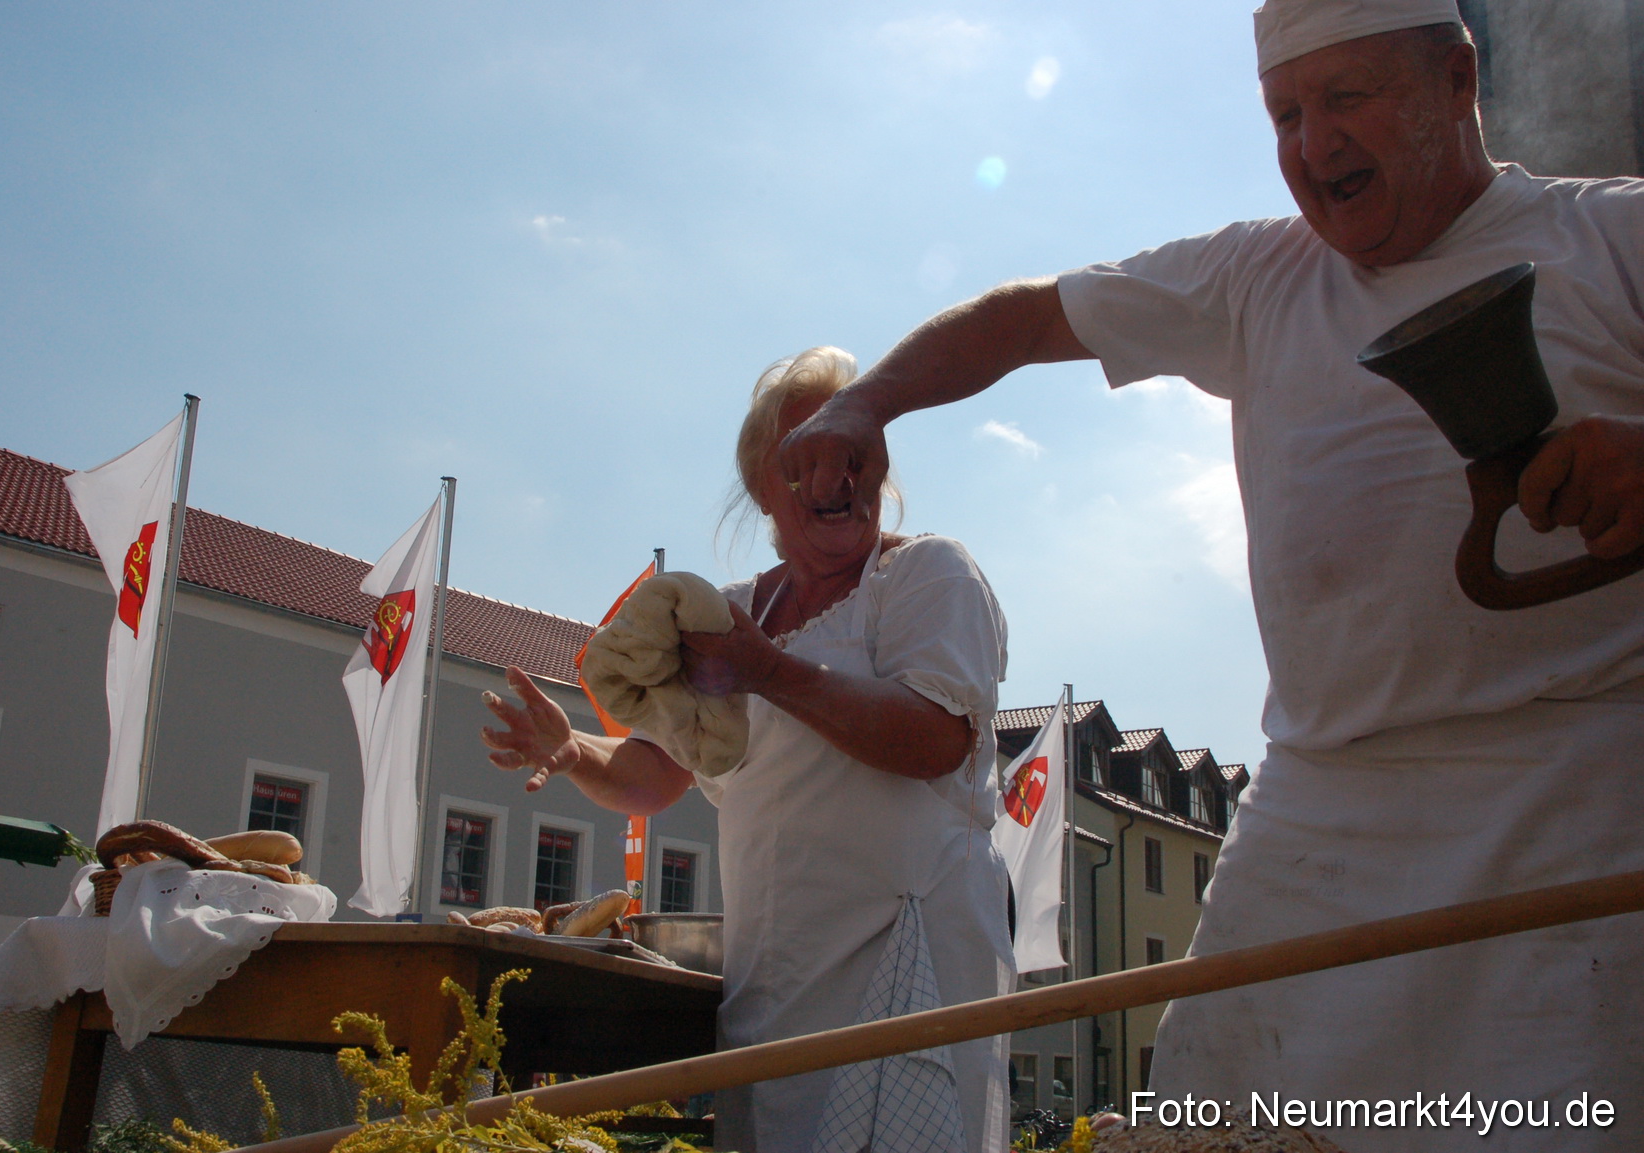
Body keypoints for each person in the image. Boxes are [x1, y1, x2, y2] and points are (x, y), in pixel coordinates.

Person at [778, 2, 1644, 1150]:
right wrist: (863, 400)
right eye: (1286, 112)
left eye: (1347, 98)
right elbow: (1027, 317)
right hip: (1322, 813)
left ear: (1455, 79)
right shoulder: (1253, 277)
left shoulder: (1614, 241)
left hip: (1583, 792)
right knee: (1216, 1130)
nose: (1312, 143)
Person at [481, 346, 1016, 1153]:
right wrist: (574, 747)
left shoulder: (928, 576)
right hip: (775, 987)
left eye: (856, 451)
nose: (835, 474)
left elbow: (933, 737)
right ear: (763, 487)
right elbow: (656, 776)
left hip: (914, 976)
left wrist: (766, 669)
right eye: (806, 457)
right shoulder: (720, 615)